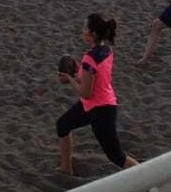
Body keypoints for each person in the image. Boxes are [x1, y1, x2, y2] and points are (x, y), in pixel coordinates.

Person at [56, 13, 138, 176]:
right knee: (62, 125)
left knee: (116, 156)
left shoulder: (90, 59)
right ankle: (66, 167)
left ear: (92, 34)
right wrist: (78, 70)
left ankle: (149, 177)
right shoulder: (107, 50)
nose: (82, 31)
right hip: (96, 104)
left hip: (101, 110)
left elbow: (85, 92)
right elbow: (94, 75)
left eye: (85, 28)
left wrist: (70, 79)